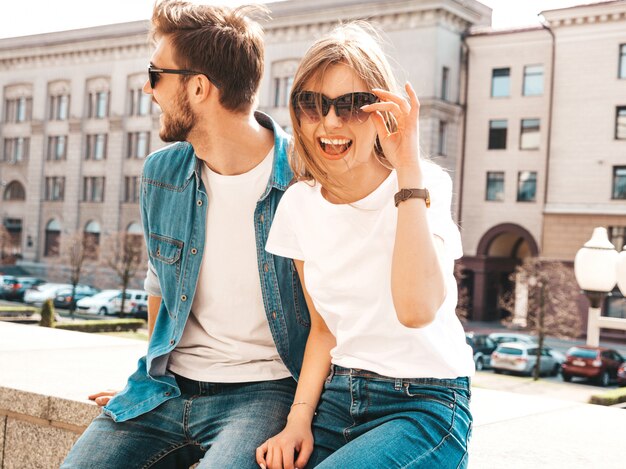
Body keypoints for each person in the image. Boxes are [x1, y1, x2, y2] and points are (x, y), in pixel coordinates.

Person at [62, 1, 309, 468]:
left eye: (156, 74)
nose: (146, 87)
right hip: (167, 386)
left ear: (197, 87)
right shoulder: (162, 172)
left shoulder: (303, 178)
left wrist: (303, 414)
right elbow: (160, 283)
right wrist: (146, 381)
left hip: (265, 393)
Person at [255, 22, 474, 469]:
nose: (330, 122)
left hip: (426, 403)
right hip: (339, 397)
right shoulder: (297, 204)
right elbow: (324, 329)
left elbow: (416, 310)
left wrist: (408, 169)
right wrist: (298, 420)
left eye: (353, 105)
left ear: (383, 112)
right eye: (312, 104)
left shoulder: (424, 183)